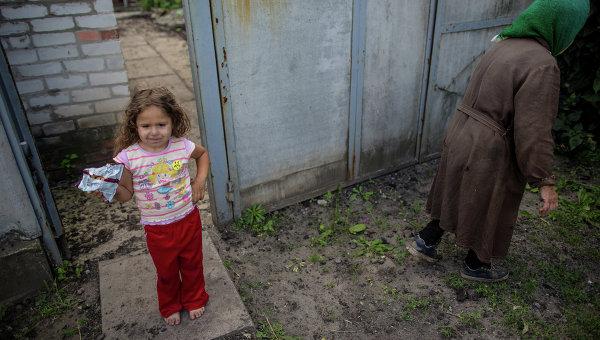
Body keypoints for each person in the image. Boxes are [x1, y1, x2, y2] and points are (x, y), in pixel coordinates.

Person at [407, 0, 590, 282]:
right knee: (494, 198)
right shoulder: (543, 64)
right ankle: (476, 263)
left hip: (462, 130)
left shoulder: (502, 45)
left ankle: (427, 239)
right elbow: (534, 129)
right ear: (562, 26)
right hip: (490, 145)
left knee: (457, 186)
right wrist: (545, 180)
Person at [112, 87, 210, 325]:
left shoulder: (181, 146)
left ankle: (195, 298)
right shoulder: (129, 157)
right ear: (135, 126)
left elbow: (203, 154)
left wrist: (199, 181)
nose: (154, 132)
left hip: (188, 219)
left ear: (172, 122)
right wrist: (110, 190)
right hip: (157, 229)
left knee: (192, 263)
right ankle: (170, 305)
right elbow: (125, 195)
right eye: (146, 126)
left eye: (161, 125)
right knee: (166, 272)